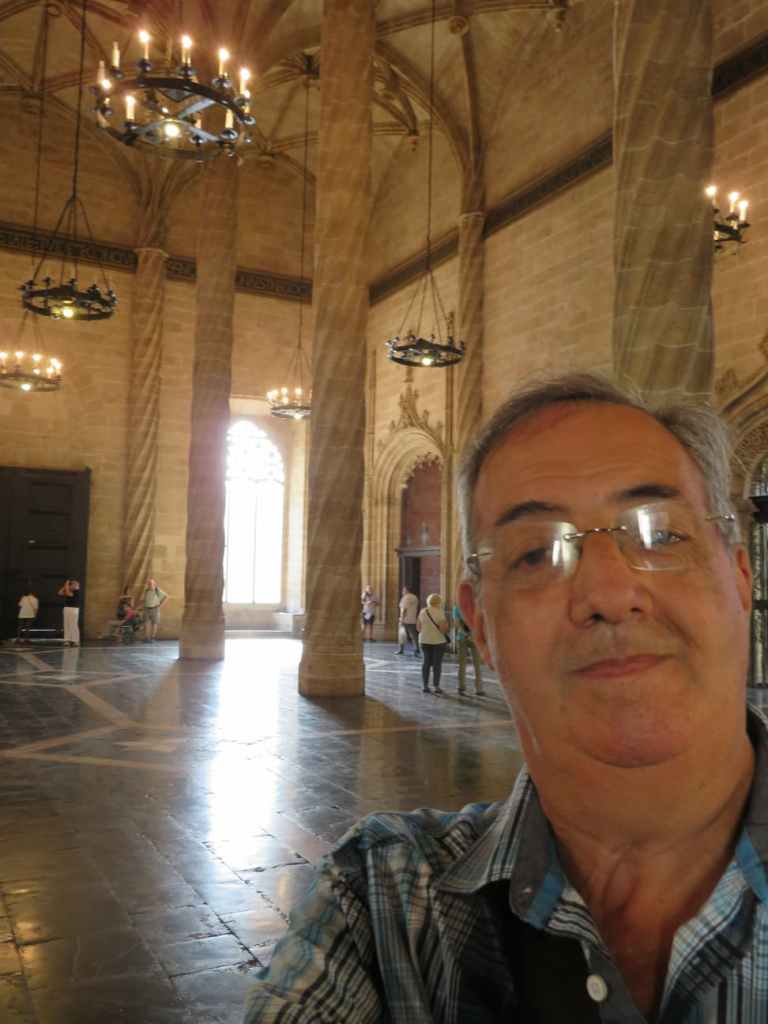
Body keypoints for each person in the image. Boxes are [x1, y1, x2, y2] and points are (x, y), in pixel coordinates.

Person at [244, 372, 759, 1023]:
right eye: (537, 553)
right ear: (481, 624)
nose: (608, 593)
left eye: (661, 535)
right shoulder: (382, 906)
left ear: (741, 578)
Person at [416, 593, 450, 694]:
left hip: (424, 640)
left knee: (425, 663)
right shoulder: (440, 612)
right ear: (439, 602)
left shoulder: (423, 611)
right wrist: (447, 626)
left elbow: (418, 628)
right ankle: (436, 686)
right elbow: (443, 629)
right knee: (437, 664)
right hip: (438, 641)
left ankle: (425, 685)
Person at [452, 601, 485, 696]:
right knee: (477, 664)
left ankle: (461, 687)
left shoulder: (457, 608)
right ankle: (479, 688)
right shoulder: (477, 606)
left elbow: (456, 623)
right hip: (474, 637)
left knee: (462, 663)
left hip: (461, 638)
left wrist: (465, 634)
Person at [395, 584, 420, 656]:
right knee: (414, 635)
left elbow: (404, 609)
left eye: (403, 590)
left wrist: (401, 618)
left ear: (406, 590)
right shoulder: (415, 597)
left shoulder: (405, 598)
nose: (402, 591)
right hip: (412, 619)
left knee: (401, 635)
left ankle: (401, 650)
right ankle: (417, 649)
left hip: (405, 620)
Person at [57, 579, 80, 646]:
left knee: (73, 625)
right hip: (67, 608)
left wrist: (66, 584)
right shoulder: (68, 590)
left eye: (73, 584)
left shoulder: (76, 591)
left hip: (74, 609)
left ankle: (75, 641)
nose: (71, 585)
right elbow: (59, 593)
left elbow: (68, 593)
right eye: (71, 584)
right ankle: (67, 640)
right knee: (66, 625)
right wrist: (65, 586)